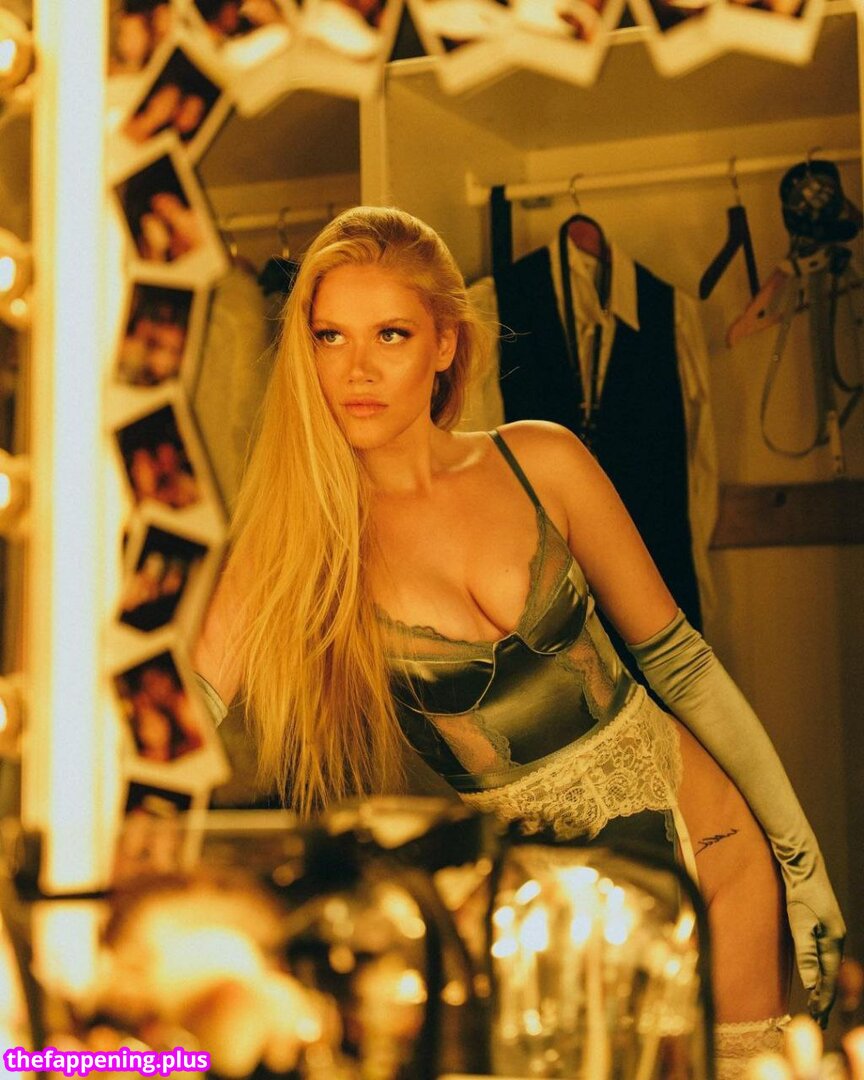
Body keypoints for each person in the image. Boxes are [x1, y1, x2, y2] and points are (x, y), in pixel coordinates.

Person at [193, 205, 844, 1073]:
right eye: (329, 336)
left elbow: (684, 667)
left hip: (717, 857)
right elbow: (179, 713)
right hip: (556, 932)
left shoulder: (539, 459)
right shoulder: (300, 540)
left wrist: (800, 858)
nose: (357, 369)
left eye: (390, 334)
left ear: (444, 344)